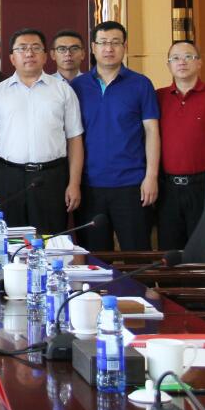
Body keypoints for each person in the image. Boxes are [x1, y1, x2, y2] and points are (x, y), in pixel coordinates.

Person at [0, 29, 84, 235]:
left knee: (49, 240)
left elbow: (74, 139)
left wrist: (74, 183)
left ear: (45, 56)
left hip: (51, 178)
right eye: (22, 49)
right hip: (7, 178)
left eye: (35, 48)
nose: (29, 53)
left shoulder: (63, 90)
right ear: (12, 57)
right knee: (9, 240)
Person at [70, 21, 160, 251]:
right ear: (93, 47)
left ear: (124, 47)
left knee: (137, 253)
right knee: (95, 258)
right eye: (103, 43)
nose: (109, 48)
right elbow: (72, 137)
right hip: (89, 186)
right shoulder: (77, 86)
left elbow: (152, 131)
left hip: (131, 185)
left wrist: (151, 176)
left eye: (115, 43)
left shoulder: (141, 84)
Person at [155, 40, 205, 249]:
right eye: (175, 58)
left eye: (188, 57)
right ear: (168, 65)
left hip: (203, 186)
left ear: (199, 63)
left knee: (203, 248)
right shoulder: (159, 97)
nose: (182, 62)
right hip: (167, 188)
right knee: (169, 249)